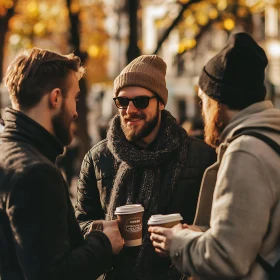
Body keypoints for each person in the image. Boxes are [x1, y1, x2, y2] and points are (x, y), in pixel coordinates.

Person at [149, 32, 280, 279]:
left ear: (217, 101)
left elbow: (227, 259)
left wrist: (176, 241)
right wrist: (201, 235)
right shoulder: (270, 140)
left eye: (203, 100)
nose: (203, 111)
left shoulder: (246, 152)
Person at [75, 54, 216, 279]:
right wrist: (101, 231)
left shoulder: (201, 156)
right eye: (122, 101)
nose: (130, 110)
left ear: (160, 102)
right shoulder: (97, 158)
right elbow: (80, 224)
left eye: (140, 101)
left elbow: (217, 227)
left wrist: (188, 235)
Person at [0, 48, 123, 280]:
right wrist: (103, 243)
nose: (76, 112)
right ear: (55, 98)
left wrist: (87, 235)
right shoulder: (36, 172)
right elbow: (53, 274)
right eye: (75, 98)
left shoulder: (7, 152)